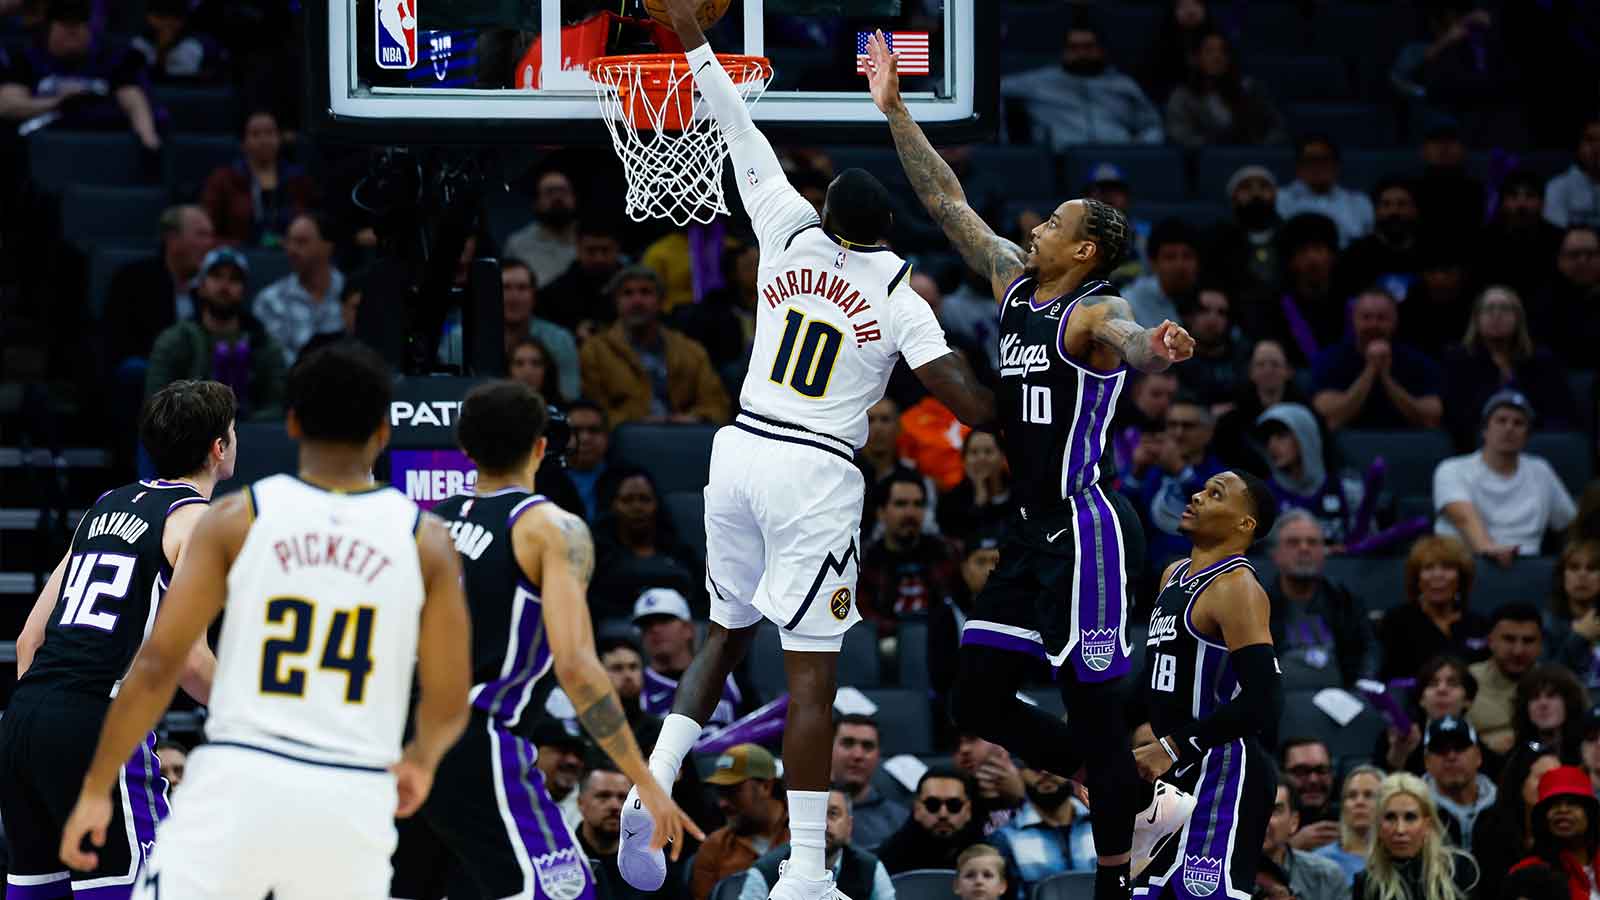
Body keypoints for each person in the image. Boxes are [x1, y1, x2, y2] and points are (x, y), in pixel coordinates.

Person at [618, 12, 999, 900]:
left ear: (827, 214)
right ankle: (806, 873)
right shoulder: (899, 287)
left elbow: (736, 127)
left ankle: (655, 778)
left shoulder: (788, 228)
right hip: (814, 474)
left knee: (724, 630)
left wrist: (691, 41)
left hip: (740, 449)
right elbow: (969, 406)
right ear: (886, 231)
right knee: (812, 677)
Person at [872, 29, 1201, 900]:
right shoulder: (1018, 284)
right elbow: (947, 201)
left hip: (1089, 531)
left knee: (1094, 711)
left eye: (1053, 223)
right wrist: (897, 109)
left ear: (1085, 251)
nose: (1034, 224)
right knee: (974, 701)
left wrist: (1157, 347)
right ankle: (1136, 789)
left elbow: (1131, 342)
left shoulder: (1096, 311)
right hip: (1027, 532)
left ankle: (1113, 882)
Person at [54, 345, 472, 897]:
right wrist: (420, 763)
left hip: (241, 772)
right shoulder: (429, 539)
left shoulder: (234, 515)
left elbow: (157, 664)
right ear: (383, 431)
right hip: (351, 784)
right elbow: (449, 695)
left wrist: (94, 788)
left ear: (292, 423)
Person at [392, 377, 700, 898]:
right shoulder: (548, 528)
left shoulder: (424, 523)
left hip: (399, 736)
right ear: (540, 446)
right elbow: (577, 666)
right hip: (477, 738)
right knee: (565, 892)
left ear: (464, 449)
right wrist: (644, 780)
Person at [0, 380, 232, 898]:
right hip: (96, 723)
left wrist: (45, 720)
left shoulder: (105, 506)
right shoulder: (196, 519)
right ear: (220, 448)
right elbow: (189, 659)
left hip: (23, 720)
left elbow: (27, 639)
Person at [1131, 469, 1284, 898]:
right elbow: (1154, 678)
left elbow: (1265, 702)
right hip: (1174, 774)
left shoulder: (1238, 587)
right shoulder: (1173, 574)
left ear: (1244, 524)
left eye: (1215, 495)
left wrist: (1171, 746)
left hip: (1222, 774)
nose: (1197, 496)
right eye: (1202, 489)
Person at [146, 246, 287, 422]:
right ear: (201, 286)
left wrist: (244, 422)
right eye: (216, 276)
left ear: (244, 290)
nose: (225, 285)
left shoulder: (263, 344)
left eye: (234, 279)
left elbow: (277, 405)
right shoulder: (176, 340)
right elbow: (156, 403)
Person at [1435, 390, 1577, 563]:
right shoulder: (1452, 469)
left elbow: (1570, 525)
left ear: (1527, 436)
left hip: (1527, 568)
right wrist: (1489, 549)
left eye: (1518, 423)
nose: (1509, 428)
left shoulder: (1541, 470)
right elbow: (1463, 518)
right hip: (1468, 567)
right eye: (1501, 420)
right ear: (1485, 430)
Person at [579, 264, 731, 426]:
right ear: (616, 302)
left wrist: (693, 418)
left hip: (682, 436)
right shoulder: (595, 351)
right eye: (627, 293)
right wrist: (638, 421)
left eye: (646, 292)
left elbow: (718, 406)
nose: (637, 301)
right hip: (623, 440)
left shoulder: (690, 350)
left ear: (661, 302)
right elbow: (592, 414)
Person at [0, 0, 161, 150]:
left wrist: (148, 139)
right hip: (43, 149)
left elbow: (133, 100)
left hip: (101, 147)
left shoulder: (113, 59)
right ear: (49, 29)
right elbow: (6, 105)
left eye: (79, 24)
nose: (73, 30)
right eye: (65, 24)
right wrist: (58, 102)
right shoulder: (27, 59)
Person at [1441, 287, 1576, 449]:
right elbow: (1456, 417)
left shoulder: (1541, 360)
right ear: (1476, 319)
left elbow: (1560, 412)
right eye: (1488, 308)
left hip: (1535, 445)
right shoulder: (1458, 361)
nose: (1496, 315)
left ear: (1518, 318)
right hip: (1475, 447)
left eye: (1505, 309)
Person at [999, 23, 1164, 150]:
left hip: (1118, 156)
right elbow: (992, 90)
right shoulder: (1037, 82)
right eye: (1074, 48)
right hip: (1062, 159)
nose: (1081, 53)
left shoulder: (1123, 84)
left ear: (1101, 50)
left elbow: (1153, 125)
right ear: (1063, 51)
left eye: (1088, 47)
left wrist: (1140, 145)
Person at [1266, 510, 1379, 692]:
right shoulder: (1257, 605)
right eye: (1293, 543)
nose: (1304, 548)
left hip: (1341, 702)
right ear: (1275, 554)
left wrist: (1361, 688)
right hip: (1279, 706)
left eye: (1312, 542)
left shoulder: (1345, 602)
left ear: (1323, 552)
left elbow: (1368, 653)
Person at [1311, 289, 1444, 432]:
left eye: (1382, 318)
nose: (1373, 324)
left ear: (1395, 320)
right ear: (1353, 319)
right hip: (1349, 444)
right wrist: (1370, 371)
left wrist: (1386, 379)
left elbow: (1432, 418)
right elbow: (1328, 417)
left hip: (1406, 442)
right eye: (1366, 317)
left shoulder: (1417, 361)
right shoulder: (1331, 359)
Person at [103, 205, 216, 372]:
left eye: (210, 235)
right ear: (172, 238)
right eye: (201, 234)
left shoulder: (213, 287)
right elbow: (117, 343)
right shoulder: (133, 280)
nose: (209, 243)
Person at [1256, 405, 1379, 552]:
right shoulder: (1263, 499)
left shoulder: (1347, 490)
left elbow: (1371, 547)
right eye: (1268, 439)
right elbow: (1264, 556)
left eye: (1281, 436)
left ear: (1305, 436)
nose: (1272, 445)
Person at [739, 787, 897, 900]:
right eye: (814, 814)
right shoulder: (765, 871)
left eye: (833, 814)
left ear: (849, 825)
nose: (822, 823)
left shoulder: (871, 869)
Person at [859, 472, 964, 633]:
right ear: (881, 512)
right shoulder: (863, 559)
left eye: (918, 504)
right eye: (901, 504)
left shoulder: (948, 552)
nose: (910, 513)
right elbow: (862, 619)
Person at [589, 468, 702, 618]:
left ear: (657, 505)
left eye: (645, 499)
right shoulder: (597, 558)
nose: (637, 507)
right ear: (613, 505)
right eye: (627, 500)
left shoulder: (681, 556)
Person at [634, 587, 750, 732]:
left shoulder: (729, 678)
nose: (655, 629)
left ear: (688, 628)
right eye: (646, 624)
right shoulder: (635, 686)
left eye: (664, 620)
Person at [1377, 536, 1489, 681]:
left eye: (1447, 568)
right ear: (1417, 578)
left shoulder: (1479, 624)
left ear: (1461, 576)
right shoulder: (1396, 621)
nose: (1438, 575)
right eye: (1428, 568)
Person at [201, 109, 317, 247]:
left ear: (279, 139)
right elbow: (206, 231)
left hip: (291, 255)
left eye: (270, 133)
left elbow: (313, 225)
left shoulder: (297, 179)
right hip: (241, 255)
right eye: (255, 134)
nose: (264, 140)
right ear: (243, 143)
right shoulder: (223, 179)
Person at [1351, 773, 1477, 900]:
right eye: (1390, 817)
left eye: (1410, 817)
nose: (1400, 830)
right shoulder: (1366, 883)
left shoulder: (1459, 869)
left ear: (1427, 824)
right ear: (1378, 825)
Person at [1135, 398, 1227, 567]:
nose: (1178, 433)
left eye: (1188, 426)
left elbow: (1216, 515)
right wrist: (1136, 474)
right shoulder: (1152, 471)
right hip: (1148, 572)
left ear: (1209, 431)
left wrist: (1180, 471)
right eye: (1172, 425)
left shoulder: (1222, 476)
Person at [692, 744, 791, 900]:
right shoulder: (714, 849)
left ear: (765, 786)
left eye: (733, 791)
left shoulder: (803, 836)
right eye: (720, 792)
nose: (722, 803)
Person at [252, 212, 346, 365]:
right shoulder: (270, 300)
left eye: (302, 242)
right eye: (289, 241)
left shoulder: (351, 294)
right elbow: (276, 364)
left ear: (327, 246)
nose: (291, 249)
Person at [989, 764, 1098, 897]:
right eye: (1033, 764)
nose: (1046, 772)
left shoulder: (1107, 824)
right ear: (1018, 771)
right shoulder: (1003, 839)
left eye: (1054, 762)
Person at [1164, 30, 1285, 148]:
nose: (1217, 57)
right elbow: (1180, 135)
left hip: (1252, 161)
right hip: (1205, 162)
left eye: (1223, 51)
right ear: (1196, 58)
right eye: (1209, 51)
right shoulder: (1182, 96)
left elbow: (1277, 127)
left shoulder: (1249, 89)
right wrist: (1218, 148)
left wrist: (1259, 148)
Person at [1476, 746, 1565, 900]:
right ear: (1520, 782)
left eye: (1558, 777)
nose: (1553, 784)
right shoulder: (1489, 826)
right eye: (1543, 777)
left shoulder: (1566, 826)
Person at [580, 768, 677, 900]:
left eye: (623, 797)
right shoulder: (562, 855)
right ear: (580, 803)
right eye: (603, 796)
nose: (615, 806)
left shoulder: (655, 861)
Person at [1509, 765, 1600, 900]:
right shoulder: (1527, 874)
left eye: (1572, 803)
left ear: (1590, 814)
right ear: (1543, 818)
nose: (1563, 810)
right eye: (1553, 804)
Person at [1378, 655, 1478, 775]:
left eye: (1452, 683)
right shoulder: (1396, 739)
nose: (1441, 689)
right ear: (1421, 699)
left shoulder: (1483, 748)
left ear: (1468, 699)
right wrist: (1398, 757)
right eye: (1432, 684)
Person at [1467, 603, 1546, 755]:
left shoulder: (1557, 684)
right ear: (1490, 641)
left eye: (1528, 641)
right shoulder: (1465, 681)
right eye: (1509, 639)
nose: (1518, 651)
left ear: (1540, 645)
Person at [875, 767, 986, 875]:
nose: (943, 814)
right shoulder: (888, 858)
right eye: (932, 804)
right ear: (917, 809)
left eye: (954, 805)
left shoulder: (989, 859)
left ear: (968, 810)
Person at [1276, 135, 1375, 249]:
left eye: (1324, 159)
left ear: (1337, 166)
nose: (1317, 166)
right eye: (1310, 160)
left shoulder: (1359, 202)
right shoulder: (1280, 199)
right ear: (1299, 167)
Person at [1335, 179, 1424, 303]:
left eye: (1402, 204)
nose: (1394, 211)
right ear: (1375, 211)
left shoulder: (1428, 253)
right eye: (1386, 205)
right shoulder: (1355, 254)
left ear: (1415, 210)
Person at [502, 258, 580, 400]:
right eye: (505, 288)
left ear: (534, 295)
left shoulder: (560, 340)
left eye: (522, 288)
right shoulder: (462, 339)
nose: (513, 297)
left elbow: (569, 398)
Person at [1258, 780, 1350, 900]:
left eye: (1275, 811)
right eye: (1255, 809)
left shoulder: (1326, 876)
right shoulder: (1225, 877)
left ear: (1294, 822)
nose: (1263, 819)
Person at [832, 714, 909, 851]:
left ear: (878, 755)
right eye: (848, 743)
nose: (857, 755)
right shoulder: (803, 811)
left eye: (867, 746)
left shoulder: (900, 821)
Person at [1421, 715, 1496, 847]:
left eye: (1460, 747)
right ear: (1427, 761)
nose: (1451, 756)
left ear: (1478, 756)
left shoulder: (1503, 807)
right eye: (1440, 749)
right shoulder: (1415, 810)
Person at [505, 168, 580, 288]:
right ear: (536, 202)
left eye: (563, 191)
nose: (557, 198)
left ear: (574, 198)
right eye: (550, 192)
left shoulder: (590, 239)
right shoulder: (518, 244)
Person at [1175, 287, 1248, 410]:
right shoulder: (1172, 358)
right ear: (1189, 316)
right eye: (1204, 310)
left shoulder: (1242, 357)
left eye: (1221, 312)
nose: (1213, 319)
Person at [1122, 219, 1202, 329]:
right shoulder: (1129, 304)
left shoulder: (1210, 300)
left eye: (1187, 256)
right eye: (1170, 257)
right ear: (1153, 263)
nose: (1180, 265)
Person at [937, 429, 1014, 543]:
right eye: (974, 452)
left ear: (1003, 457)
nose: (981, 458)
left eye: (988, 451)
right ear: (964, 459)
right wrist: (979, 502)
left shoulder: (1020, 494)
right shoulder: (950, 501)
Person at [1312, 765, 1382, 884]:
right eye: (1352, 795)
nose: (1359, 802)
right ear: (1343, 805)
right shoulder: (1319, 861)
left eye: (1369, 795)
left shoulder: (1396, 857)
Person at [1546, 540, 1600, 686]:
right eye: (1574, 567)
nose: (1582, 574)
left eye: (1592, 568)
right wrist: (1578, 638)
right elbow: (1544, 682)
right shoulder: (1547, 624)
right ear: (1562, 575)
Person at [1513, 665, 1592, 764]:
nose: (1543, 704)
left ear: (1569, 703)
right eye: (1534, 697)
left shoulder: (1590, 749)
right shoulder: (1517, 757)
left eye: (1551, 696)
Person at [530, 717, 591, 829]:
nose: (572, 761)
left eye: (579, 754)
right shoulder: (508, 796)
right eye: (562, 750)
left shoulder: (591, 810)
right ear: (535, 752)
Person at [1280, 739, 1339, 850]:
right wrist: (1291, 849)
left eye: (1321, 770)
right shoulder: (1267, 822)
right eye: (1301, 771)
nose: (1313, 780)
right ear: (1282, 774)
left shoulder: (1349, 819)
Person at [1544, 119, 1600, 230]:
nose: (1596, 148)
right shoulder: (1557, 187)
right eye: (1590, 140)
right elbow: (1555, 233)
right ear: (1578, 145)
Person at [565, 400, 611, 522]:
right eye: (575, 431)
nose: (585, 438)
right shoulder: (543, 480)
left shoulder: (625, 480)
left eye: (594, 430)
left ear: (607, 437)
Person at [509, 334, 565, 406]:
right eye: (519, 363)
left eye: (536, 363)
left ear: (546, 370)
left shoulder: (560, 414)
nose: (528, 371)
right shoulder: (496, 413)